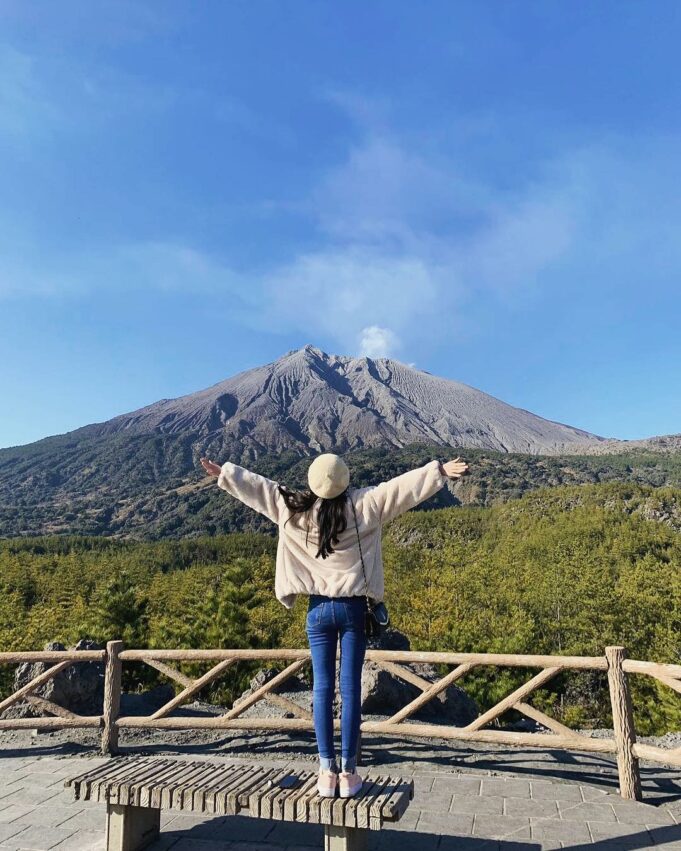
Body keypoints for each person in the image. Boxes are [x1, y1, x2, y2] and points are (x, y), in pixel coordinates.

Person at [200, 452, 468, 798]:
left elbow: (263, 490)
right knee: (351, 689)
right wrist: (439, 471)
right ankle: (350, 773)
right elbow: (400, 489)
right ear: (345, 479)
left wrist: (227, 475)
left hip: (317, 611)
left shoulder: (294, 508)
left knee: (322, 690)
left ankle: (326, 772)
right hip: (353, 610)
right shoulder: (363, 506)